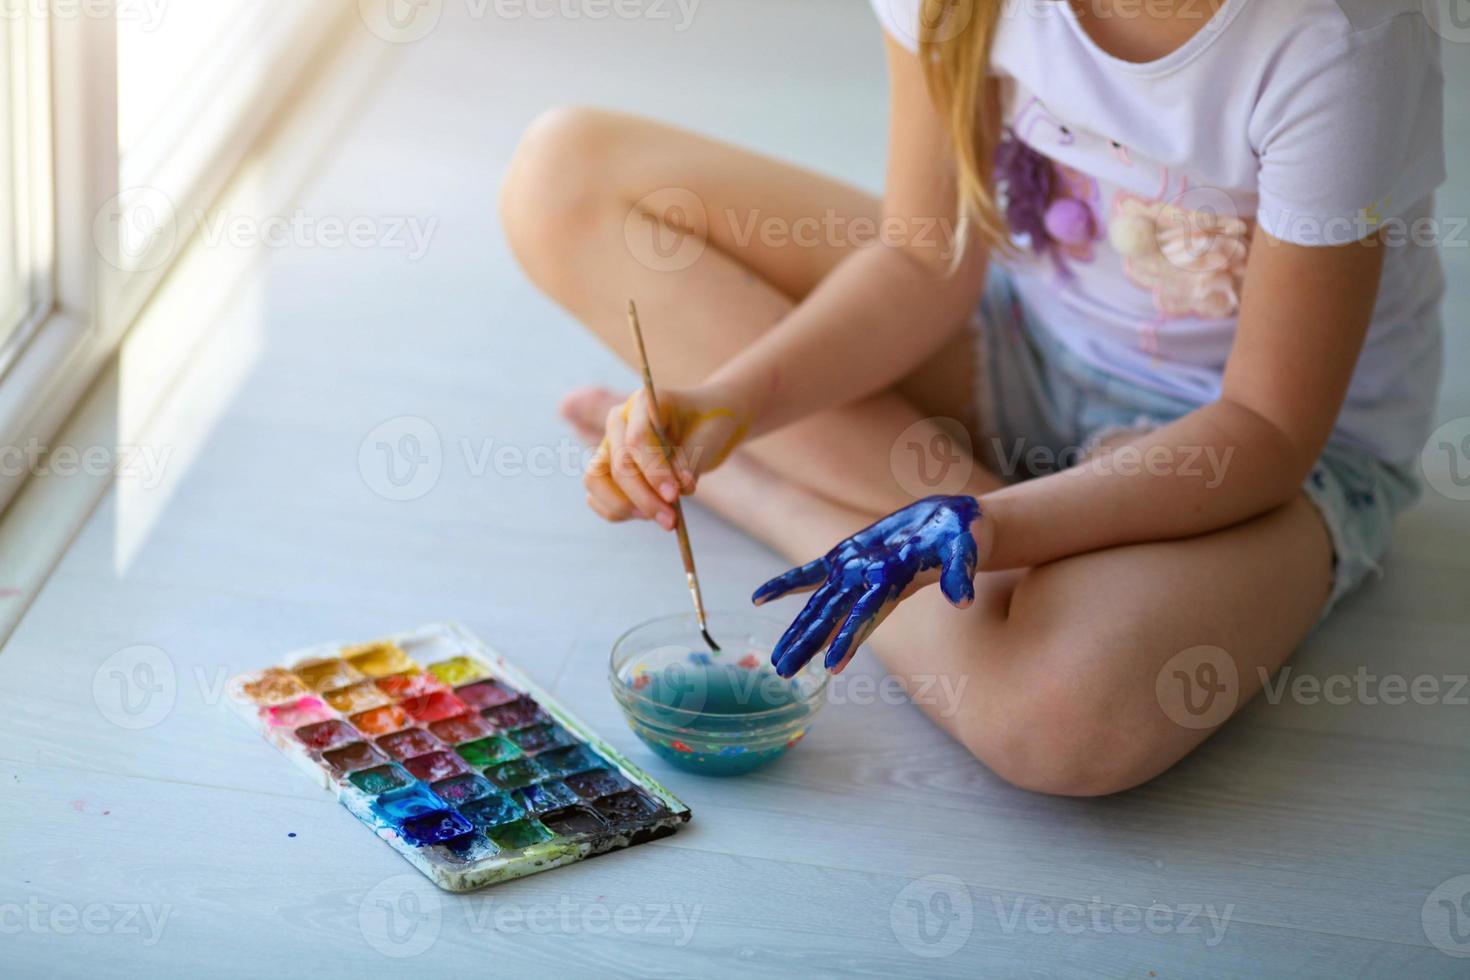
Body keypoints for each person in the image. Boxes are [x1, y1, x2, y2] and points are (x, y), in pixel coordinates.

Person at [499, 0, 1446, 795]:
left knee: (1060, 719)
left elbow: (1269, 430)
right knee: (565, 175)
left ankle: (789, 505)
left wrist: (990, 527)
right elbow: (923, 256)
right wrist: (732, 403)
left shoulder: (1336, 43)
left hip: (1254, 457)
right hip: (1018, 337)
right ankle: (920, 538)